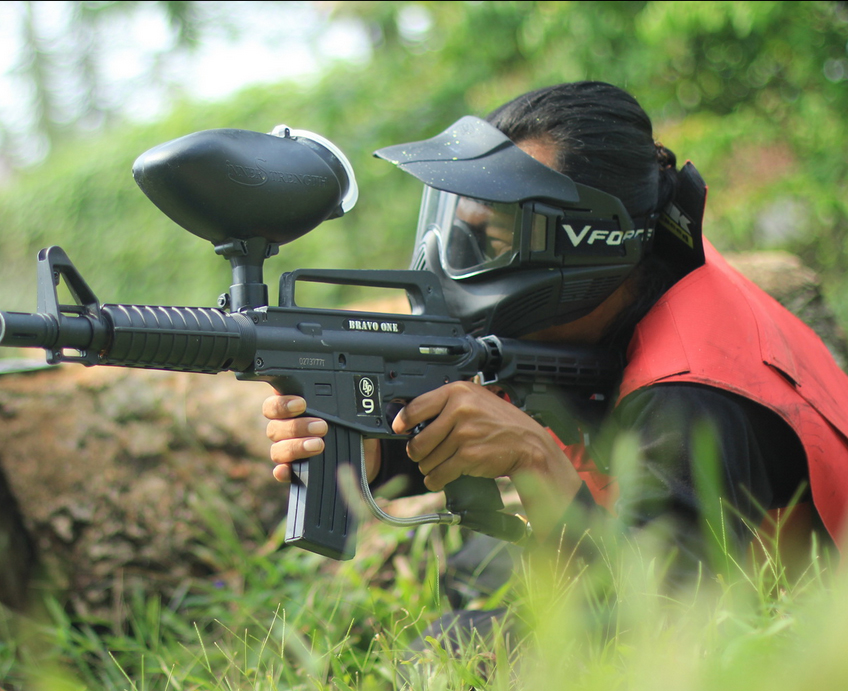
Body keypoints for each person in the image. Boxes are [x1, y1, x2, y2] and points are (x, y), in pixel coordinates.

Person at [264, 81, 848, 575]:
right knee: (483, 572)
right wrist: (371, 446)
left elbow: (661, 625)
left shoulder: (694, 393)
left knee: (483, 612)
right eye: (458, 228)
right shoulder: (643, 276)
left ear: (588, 242)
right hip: (633, 537)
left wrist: (536, 458)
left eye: (493, 237)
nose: (453, 258)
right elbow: (517, 392)